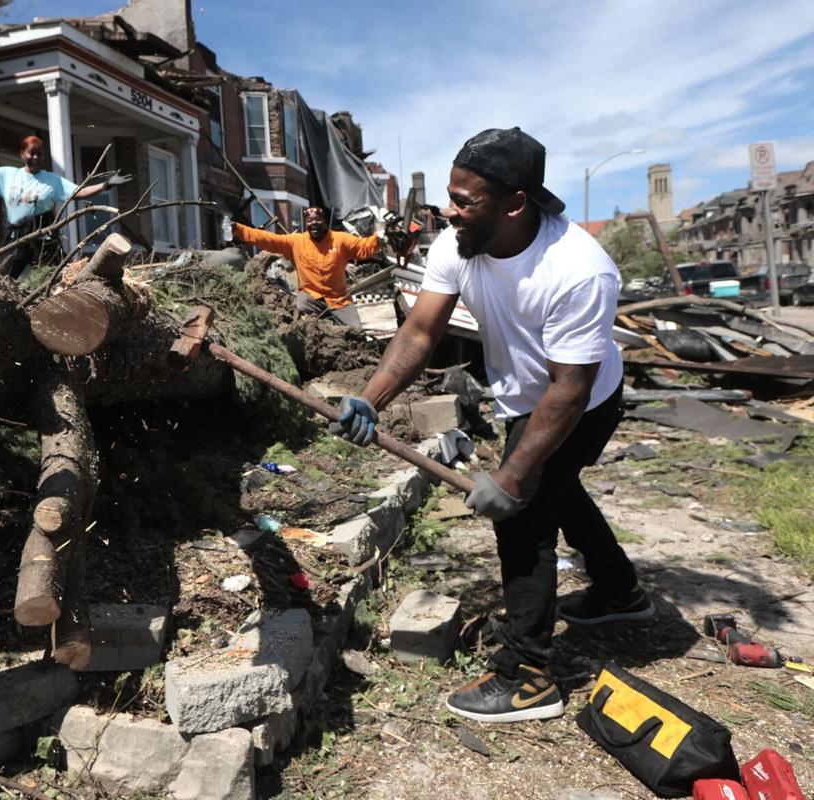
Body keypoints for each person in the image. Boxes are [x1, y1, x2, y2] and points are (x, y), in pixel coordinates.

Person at [331, 127, 652, 723]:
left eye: (464, 200)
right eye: (450, 195)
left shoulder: (578, 269)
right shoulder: (458, 242)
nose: (448, 211)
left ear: (514, 204)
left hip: (580, 401)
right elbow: (421, 332)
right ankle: (620, 591)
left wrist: (508, 477)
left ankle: (528, 677)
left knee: (525, 515)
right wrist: (370, 398)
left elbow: (570, 389)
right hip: (530, 393)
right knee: (556, 491)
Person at [0, 117, 131, 275]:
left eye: (39, 154)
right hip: (16, 232)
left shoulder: (53, 181)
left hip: (44, 232)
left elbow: (79, 192)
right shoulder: (7, 175)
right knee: (3, 273)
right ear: (22, 154)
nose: (35, 157)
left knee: (51, 273)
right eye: (31, 153)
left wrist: (107, 184)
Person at [230, 206, 386, 329]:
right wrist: (238, 229)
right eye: (309, 221)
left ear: (324, 221)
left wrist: (379, 237)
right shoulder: (296, 242)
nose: (313, 224)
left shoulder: (340, 240)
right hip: (310, 296)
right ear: (306, 224)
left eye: (317, 220)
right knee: (300, 317)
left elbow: (364, 247)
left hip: (339, 299)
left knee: (357, 331)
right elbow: (267, 239)